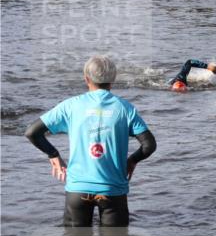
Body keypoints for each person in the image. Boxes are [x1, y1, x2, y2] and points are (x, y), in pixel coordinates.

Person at [24, 56, 156, 227]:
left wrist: (53, 154)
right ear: (113, 80)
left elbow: (32, 132)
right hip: (113, 191)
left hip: (77, 190)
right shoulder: (125, 108)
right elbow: (149, 145)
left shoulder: (70, 106)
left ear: (86, 79)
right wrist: (132, 161)